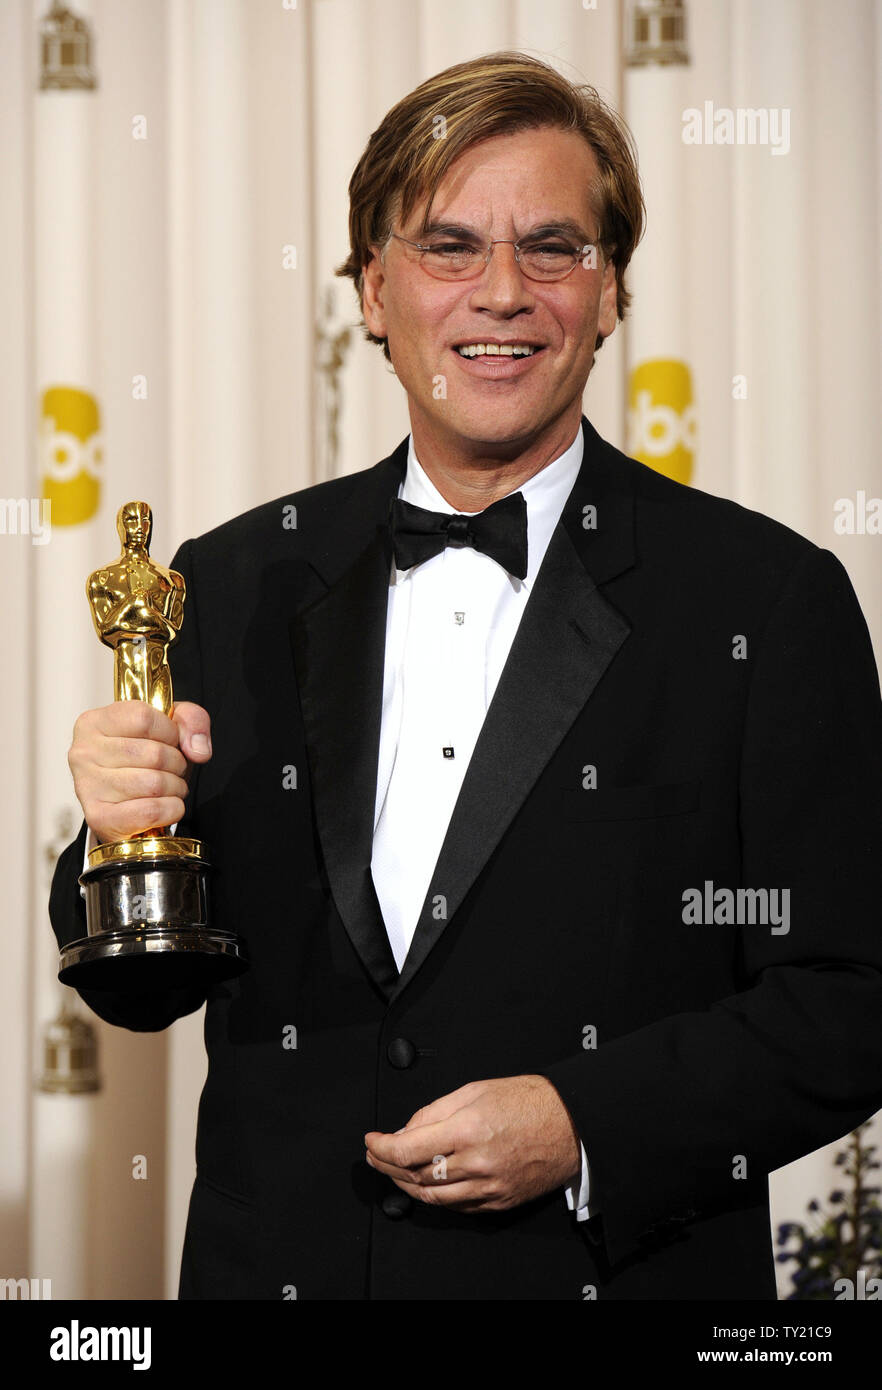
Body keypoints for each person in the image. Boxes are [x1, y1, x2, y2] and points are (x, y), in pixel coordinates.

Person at [50, 51, 882, 1301]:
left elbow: (851, 997)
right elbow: (145, 988)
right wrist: (114, 841)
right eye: (449, 247)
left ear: (611, 295)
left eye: (554, 248)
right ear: (373, 289)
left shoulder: (764, 600)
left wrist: (584, 1122)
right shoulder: (232, 581)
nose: (504, 294)